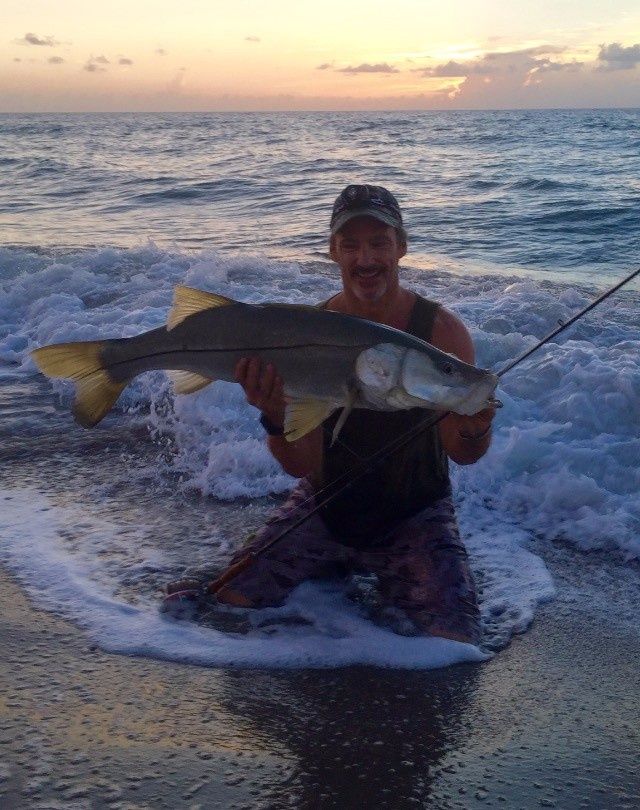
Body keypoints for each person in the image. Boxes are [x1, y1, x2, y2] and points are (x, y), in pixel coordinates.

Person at [173, 185, 496, 644]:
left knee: (455, 641)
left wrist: (477, 424)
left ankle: (359, 572)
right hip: (324, 506)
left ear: (401, 248)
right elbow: (301, 466)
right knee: (230, 601)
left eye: (379, 243)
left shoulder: (441, 333)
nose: (366, 258)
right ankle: (334, 567)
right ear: (333, 253)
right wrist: (274, 415)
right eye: (351, 245)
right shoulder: (308, 330)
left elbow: (464, 455)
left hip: (415, 510)